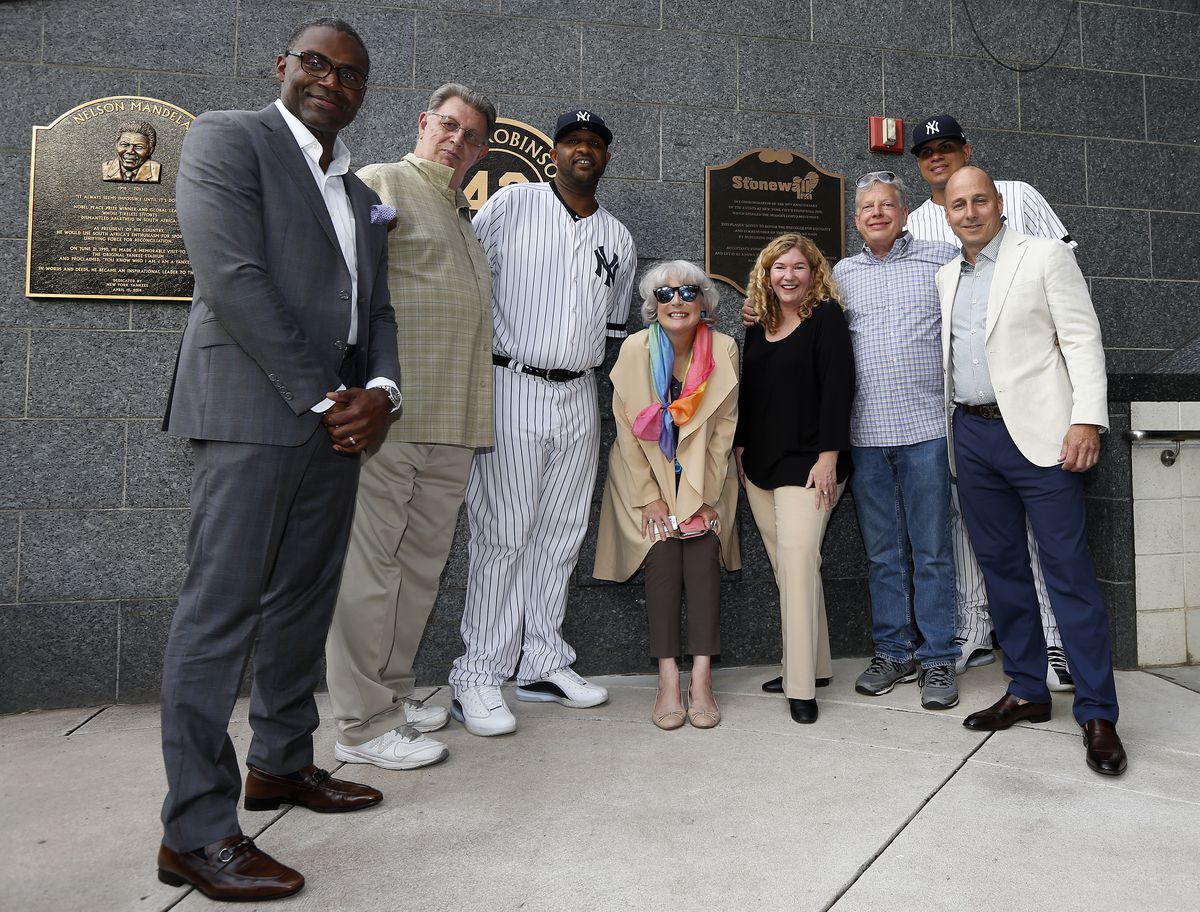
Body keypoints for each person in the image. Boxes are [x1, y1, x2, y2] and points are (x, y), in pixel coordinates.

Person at [157, 19, 401, 901]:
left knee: (303, 601)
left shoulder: (361, 192)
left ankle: (282, 764)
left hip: (336, 425)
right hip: (253, 413)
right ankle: (195, 832)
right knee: (218, 615)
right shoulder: (229, 138)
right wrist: (331, 396)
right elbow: (232, 279)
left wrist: (382, 391)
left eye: (352, 74)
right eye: (316, 63)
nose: (332, 80)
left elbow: (376, 309)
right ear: (283, 67)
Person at [324, 83, 496, 772]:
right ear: (424, 122)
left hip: (453, 420)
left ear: (480, 151)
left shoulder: (461, 212)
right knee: (370, 571)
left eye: (471, 135)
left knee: (419, 571)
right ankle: (361, 723)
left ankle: (393, 698)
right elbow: (345, 283)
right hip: (392, 417)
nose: (457, 140)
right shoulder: (382, 183)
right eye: (448, 125)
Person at [449, 110, 636, 736]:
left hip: (578, 390)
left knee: (561, 533)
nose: (584, 150)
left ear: (606, 157)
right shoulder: (512, 204)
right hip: (513, 381)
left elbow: (611, 329)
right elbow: (468, 283)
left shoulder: (618, 237)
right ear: (555, 152)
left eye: (594, 143)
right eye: (573, 141)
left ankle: (541, 660)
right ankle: (478, 672)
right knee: (503, 532)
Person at [937, 166, 1126, 777]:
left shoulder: (1044, 256)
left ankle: (1098, 713)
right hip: (973, 437)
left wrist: (1086, 420)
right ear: (947, 214)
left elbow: (1082, 340)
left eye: (979, 200)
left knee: (1068, 574)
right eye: (958, 204)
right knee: (1002, 572)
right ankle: (1026, 689)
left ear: (998, 204)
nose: (970, 212)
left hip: (1045, 440)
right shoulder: (946, 276)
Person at [907, 113, 1076, 691]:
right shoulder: (916, 223)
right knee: (974, 533)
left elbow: (1066, 286)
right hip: (966, 410)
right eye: (926, 151)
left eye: (947, 146)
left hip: (1031, 405)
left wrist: (1078, 407)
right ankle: (975, 630)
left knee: (1043, 539)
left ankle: (1055, 640)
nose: (936, 156)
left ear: (968, 151)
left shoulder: (1018, 196)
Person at [594, 262, 740, 729]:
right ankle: (668, 680)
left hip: (704, 480)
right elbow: (626, 430)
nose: (676, 301)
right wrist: (651, 498)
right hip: (643, 481)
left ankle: (702, 680)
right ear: (652, 305)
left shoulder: (724, 348)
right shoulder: (635, 349)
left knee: (702, 554)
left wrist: (703, 498)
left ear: (704, 303)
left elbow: (724, 431)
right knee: (661, 555)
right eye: (665, 294)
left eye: (688, 292)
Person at [833, 172, 960, 710]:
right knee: (883, 554)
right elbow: (800, 316)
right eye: (867, 207)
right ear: (856, 219)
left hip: (926, 430)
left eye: (887, 205)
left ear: (905, 213)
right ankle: (893, 652)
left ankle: (938, 658)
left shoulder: (942, 259)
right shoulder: (842, 274)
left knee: (932, 552)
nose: (877, 213)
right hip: (865, 436)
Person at [736, 233, 854, 725]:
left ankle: (799, 685)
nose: (788, 275)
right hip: (760, 465)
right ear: (766, 275)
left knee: (799, 562)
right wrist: (740, 446)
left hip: (810, 465)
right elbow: (751, 390)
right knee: (792, 570)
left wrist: (829, 456)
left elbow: (839, 389)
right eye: (779, 267)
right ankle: (818, 665)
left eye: (798, 267)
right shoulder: (758, 323)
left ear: (814, 273)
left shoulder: (826, 318)